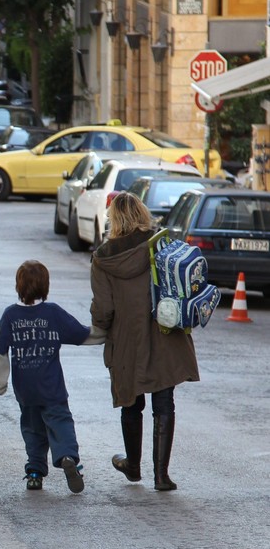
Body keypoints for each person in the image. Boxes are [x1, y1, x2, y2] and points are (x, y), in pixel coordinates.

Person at [90, 192, 199, 491]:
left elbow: (104, 309)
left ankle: (133, 465)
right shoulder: (161, 243)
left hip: (127, 337)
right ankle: (161, 475)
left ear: (114, 218)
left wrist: (98, 329)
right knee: (164, 402)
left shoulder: (103, 259)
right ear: (141, 213)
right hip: (164, 331)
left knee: (131, 402)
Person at [0, 260, 105, 493]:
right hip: (52, 387)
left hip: (25, 389)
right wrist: (106, 334)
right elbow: (80, 334)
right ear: (46, 286)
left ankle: (34, 471)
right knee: (60, 422)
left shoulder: (10, 315)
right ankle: (67, 457)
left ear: (18, 286)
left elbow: (0, 350)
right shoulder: (52, 313)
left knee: (32, 429)